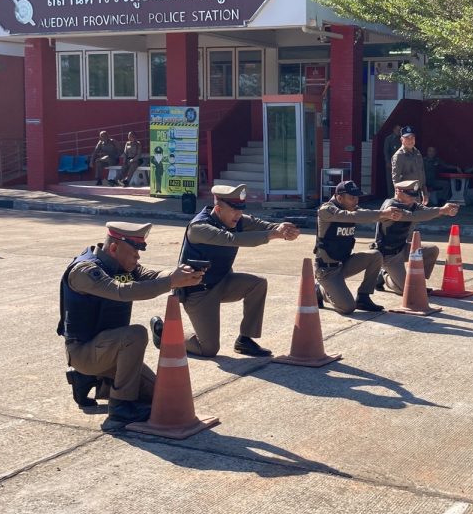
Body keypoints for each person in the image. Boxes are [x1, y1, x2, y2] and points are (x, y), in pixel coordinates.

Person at [58, 221, 204, 432]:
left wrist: (183, 275)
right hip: (84, 352)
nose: (138, 257)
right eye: (134, 252)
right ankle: (120, 408)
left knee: (163, 396)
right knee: (135, 334)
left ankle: (88, 379)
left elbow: (152, 277)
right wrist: (172, 281)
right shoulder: (84, 271)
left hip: (109, 351)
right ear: (114, 248)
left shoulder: (124, 266)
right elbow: (122, 291)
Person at [151, 184, 300, 358]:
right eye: (234, 210)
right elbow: (231, 239)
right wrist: (272, 235)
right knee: (208, 349)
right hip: (198, 292)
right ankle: (165, 333)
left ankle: (245, 340)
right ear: (218, 209)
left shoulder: (237, 220)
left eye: (240, 210)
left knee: (258, 284)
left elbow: (262, 225)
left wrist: (282, 229)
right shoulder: (199, 227)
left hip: (222, 282)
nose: (238, 214)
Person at [313, 180, 401, 314]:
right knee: (347, 308)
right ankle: (320, 290)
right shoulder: (326, 210)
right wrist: (383, 213)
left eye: (357, 197)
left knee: (375, 255)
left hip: (344, 264)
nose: (356, 201)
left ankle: (363, 297)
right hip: (327, 270)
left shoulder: (352, 208)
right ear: (339, 198)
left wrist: (391, 215)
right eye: (352, 198)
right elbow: (351, 216)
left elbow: (365, 214)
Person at [374, 180, 460, 294]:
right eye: (409, 195)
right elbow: (413, 216)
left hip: (402, 248)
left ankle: (417, 282)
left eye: (414, 195)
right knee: (407, 291)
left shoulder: (411, 204)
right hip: (388, 254)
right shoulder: (391, 207)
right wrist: (441, 210)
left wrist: (446, 211)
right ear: (398, 191)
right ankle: (385, 274)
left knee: (432, 250)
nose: (413, 198)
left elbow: (427, 211)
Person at [391, 125, 428, 205]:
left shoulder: (417, 153)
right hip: (405, 196)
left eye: (412, 137)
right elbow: (395, 179)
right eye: (407, 138)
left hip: (417, 195)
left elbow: (422, 173)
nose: (410, 140)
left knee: (418, 213)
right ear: (401, 140)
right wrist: (400, 196)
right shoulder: (399, 155)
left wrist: (424, 192)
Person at [382, 124, 402, 194]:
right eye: (397, 129)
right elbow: (386, 151)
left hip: (400, 164)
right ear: (393, 130)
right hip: (391, 164)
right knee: (390, 182)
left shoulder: (402, 139)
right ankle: (391, 197)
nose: (398, 131)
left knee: (399, 182)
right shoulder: (389, 139)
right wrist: (388, 162)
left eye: (400, 130)